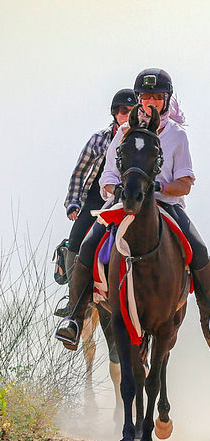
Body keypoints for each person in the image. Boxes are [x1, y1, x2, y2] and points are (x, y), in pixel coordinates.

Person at [54, 68, 210, 352]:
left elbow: (184, 183)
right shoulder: (124, 133)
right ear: (138, 99)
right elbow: (108, 178)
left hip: (165, 206)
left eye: (157, 96)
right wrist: (121, 192)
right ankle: (74, 319)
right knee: (88, 245)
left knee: (199, 250)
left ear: (166, 100)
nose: (151, 101)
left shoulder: (177, 137)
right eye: (145, 95)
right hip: (123, 203)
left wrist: (156, 190)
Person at [54, 88, 137, 317]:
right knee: (76, 239)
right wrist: (73, 203)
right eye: (123, 110)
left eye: (132, 111)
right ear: (114, 113)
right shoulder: (99, 139)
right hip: (95, 201)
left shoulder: (140, 140)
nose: (127, 115)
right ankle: (75, 303)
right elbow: (80, 173)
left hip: (128, 202)